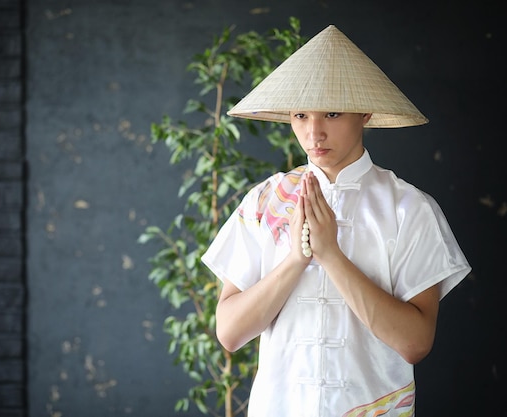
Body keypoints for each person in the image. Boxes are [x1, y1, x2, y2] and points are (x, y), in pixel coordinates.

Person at [201, 25, 471, 416]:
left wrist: (331, 255)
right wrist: (296, 259)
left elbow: (415, 343)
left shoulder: (408, 208)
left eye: (332, 112)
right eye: (300, 115)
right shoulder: (265, 202)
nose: (314, 133)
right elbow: (229, 332)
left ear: (364, 112)